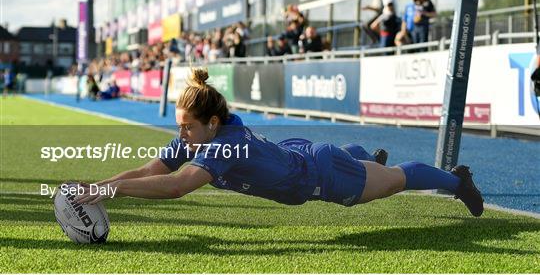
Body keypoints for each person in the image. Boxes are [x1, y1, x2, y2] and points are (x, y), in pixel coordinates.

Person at [76, 68, 484, 218]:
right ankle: (361, 159)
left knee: (392, 181)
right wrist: (99, 187)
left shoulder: (222, 146)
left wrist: (110, 189)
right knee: (366, 168)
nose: (180, 135)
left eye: (186, 127)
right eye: (179, 127)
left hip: (319, 174)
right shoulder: (201, 137)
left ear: (212, 123)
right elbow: (153, 171)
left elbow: (177, 185)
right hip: (294, 153)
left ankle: (457, 180)